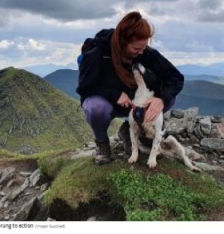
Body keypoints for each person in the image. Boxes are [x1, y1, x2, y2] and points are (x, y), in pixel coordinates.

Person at [76, 11, 184, 165]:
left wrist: (160, 99)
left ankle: (130, 129)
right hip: (108, 103)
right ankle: (102, 144)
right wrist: (114, 94)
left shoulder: (146, 53)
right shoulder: (97, 52)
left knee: (170, 98)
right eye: (136, 49)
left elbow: (175, 77)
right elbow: (85, 88)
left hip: (136, 104)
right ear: (122, 42)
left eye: (144, 47)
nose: (141, 52)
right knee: (96, 108)